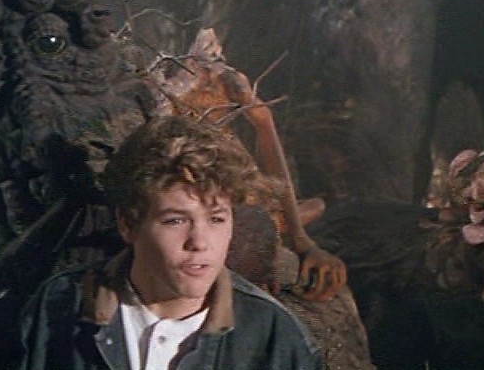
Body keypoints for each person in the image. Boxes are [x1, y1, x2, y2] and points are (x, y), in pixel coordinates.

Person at [19, 116, 323, 370]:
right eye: (175, 221)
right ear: (128, 224)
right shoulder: (59, 306)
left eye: (216, 219)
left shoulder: (273, 335)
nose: (199, 242)